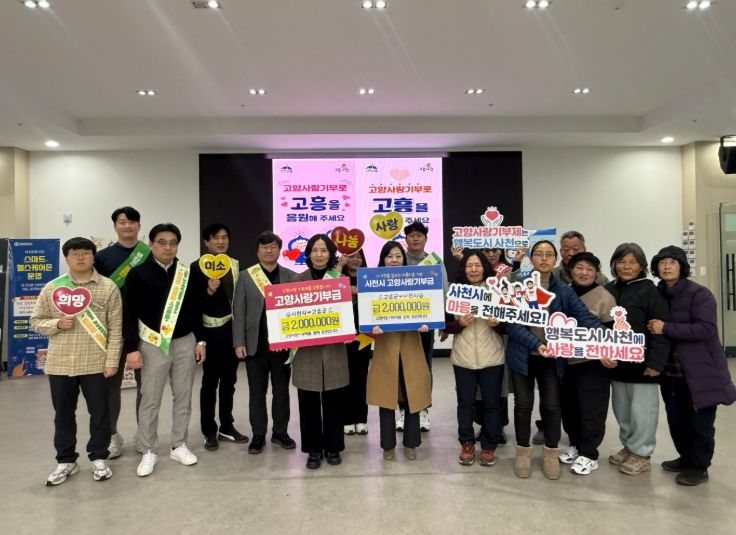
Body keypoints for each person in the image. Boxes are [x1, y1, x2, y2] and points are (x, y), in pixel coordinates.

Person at [505, 240, 603, 480]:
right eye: (539, 254)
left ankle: (550, 453)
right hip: (522, 356)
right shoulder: (518, 286)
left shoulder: (564, 291)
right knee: (523, 405)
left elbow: (584, 317)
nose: (544, 258)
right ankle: (523, 453)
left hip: (552, 359)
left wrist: (609, 339)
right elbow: (512, 325)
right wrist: (536, 344)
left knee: (551, 406)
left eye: (549, 254)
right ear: (531, 259)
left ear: (555, 259)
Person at [31, 237, 122, 485]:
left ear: (93, 256)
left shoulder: (108, 287)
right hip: (60, 363)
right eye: (74, 253)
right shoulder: (52, 288)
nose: (80, 257)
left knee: (100, 412)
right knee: (63, 414)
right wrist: (57, 323)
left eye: (86, 252)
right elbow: (36, 321)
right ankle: (66, 460)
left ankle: (98, 457)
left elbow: (116, 329)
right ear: (66, 257)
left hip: (96, 362)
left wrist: (112, 361)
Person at [123, 223, 207, 477]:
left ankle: (178, 445)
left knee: (183, 396)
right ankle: (148, 449)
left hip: (184, 342)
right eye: (162, 242)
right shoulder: (138, 273)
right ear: (151, 244)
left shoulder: (188, 273)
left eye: (173, 243)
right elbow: (129, 312)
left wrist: (200, 341)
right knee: (150, 398)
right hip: (153, 343)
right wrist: (131, 348)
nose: (168, 247)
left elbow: (197, 308)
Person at [647, 246, 736, 486]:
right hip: (670, 371)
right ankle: (686, 457)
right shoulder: (657, 293)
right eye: (662, 262)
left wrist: (666, 328)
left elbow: (705, 328)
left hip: (700, 370)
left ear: (682, 267)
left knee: (700, 422)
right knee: (676, 419)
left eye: (672, 262)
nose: (667, 266)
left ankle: (699, 466)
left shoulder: (700, 294)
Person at [605, 243, 670, 476]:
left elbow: (660, 331)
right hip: (616, 363)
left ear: (641, 265)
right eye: (621, 261)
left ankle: (642, 453)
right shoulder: (608, 289)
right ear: (614, 264)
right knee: (622, 410)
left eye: (632, 262)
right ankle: (629, 446)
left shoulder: (651, 291)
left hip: (643, 365)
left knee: (642, 412)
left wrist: (655, 364)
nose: (626, 266)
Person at [232, 231, 297, 454]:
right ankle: (258, 434)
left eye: (273, 246)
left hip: (283, 346)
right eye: (264, 247)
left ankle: (280, 432)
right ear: (257, 251)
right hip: (255, 345)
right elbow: (239, 311)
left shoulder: (291, 276)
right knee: (256, 393)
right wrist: (238, 342)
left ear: (279, 250)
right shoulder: (246, 276)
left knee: (282, 392)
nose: (269, 250)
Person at [366, 241, 432, 461]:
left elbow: (427, 307)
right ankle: (388, 445)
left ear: (404, 259)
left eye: (398, 256)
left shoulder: (416, 280)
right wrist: (372, 328)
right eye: (389, 256)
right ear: (383, 260)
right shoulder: (372, 282)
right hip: (386, 346)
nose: (394, 260)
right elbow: (365, 316)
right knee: (386, 396)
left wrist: (427, 322)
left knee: (413, 393)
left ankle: (411, 443)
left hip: (411, 344)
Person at [94, 206, 150, 459]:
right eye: (122, 222)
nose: (127, 226)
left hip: (146, 329)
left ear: (139, 226)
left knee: (146, 387)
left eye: (132, 222)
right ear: (115, 226)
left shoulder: (150, 254)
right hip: (112, 329)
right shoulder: (102, 257)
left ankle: (144, 434)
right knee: (110, 387)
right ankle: (111, 436)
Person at [291, 234, 349, 469]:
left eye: (324, 250)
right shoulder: (296, 281)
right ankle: (313, 449)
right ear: (308, 254)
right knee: (308, 403)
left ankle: (334, 447)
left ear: (331, 254)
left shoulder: (341, 280)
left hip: (334, 349)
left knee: (334, 401)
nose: (319, 254)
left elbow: (349, 314)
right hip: (306, 352)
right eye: (314, 250)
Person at [558, 252, 618, 476]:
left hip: (592, 363)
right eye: (579, 268)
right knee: (569, 407)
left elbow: (612, 332)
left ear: (596, 273)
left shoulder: (605, 297)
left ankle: (590, 454)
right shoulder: (562, 292)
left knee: (591, 408)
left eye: (589, 269)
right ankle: (575, 444)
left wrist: (608, 352)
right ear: (570, 270)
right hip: (565, 361)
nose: (584, 272)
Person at [443, 250, 505, 467]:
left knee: (492, 403)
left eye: (478, 265)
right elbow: (445, 325)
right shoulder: (455, 292)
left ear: (485, 267)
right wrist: (459, 324)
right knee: (465, 403)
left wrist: (498, 324)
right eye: (469, 265)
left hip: (492, 356)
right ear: (463, 268)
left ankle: (489, 445)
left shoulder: (497, 291)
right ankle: (467, 443)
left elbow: (508, 326)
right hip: (463, 357)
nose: (474, 269)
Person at [192, 223, 248, 451]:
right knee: (209, 383)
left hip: (231, 333)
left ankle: (226, 426)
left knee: (229, 381)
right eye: (215, 238)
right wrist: (207, 291)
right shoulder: (196, 267)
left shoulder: (235, 265)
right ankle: (208, 430)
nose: (221, 241)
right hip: (209, 334)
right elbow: (191, 304)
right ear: (206, 242)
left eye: (224, 237)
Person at [403, 221, 448, 432]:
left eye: (419, 235)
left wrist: (443, 322)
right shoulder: (398, 259)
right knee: (402, 366)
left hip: (426, 324)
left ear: (426, 238)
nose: (415, 238)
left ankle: (422, 410)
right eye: (411, 235)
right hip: (401, 325)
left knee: (424, 366)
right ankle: (403, 409)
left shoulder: (434, 261)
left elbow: (443, 291)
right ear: (406, 239)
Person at [340, 249, 371, 436]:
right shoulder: (337, 277)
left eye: (359, 256)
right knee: (344, 377)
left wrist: (360, 291)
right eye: (351, 256)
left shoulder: (368, 278)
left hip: (364, 336)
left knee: (361, 377)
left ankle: (361, 418)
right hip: (342, 336)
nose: (355, 260)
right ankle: (346, 419)